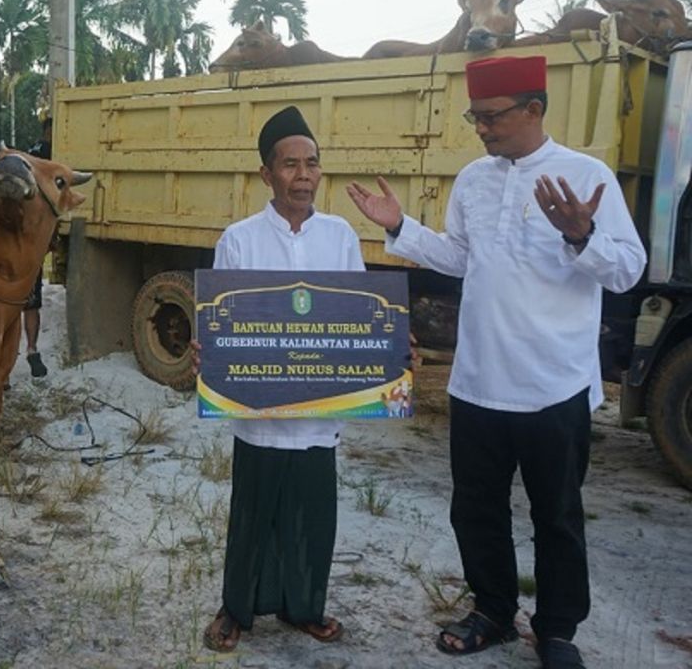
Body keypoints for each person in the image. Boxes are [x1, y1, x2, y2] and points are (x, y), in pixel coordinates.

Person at [346, 55, 645, 669]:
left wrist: (582, 235)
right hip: (478, 380)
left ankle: (558, 631)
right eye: (474, 117)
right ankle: (493, 610)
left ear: (533, 109)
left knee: (556, 517)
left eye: (490, 117)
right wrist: (401, 225)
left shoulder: (587, 176)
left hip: (553, 385)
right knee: (474, 508)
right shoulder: (474, 180)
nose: (479, 128)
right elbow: (460, 258)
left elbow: (627, 270)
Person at [201, 105, 359, 653]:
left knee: (313, 516)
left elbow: (358, 314)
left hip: (320, 413)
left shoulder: (340, 236)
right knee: (253, 514)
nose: (304, 176)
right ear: (267, 175)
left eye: (312, 164)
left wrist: (388, 350)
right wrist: (209, 347)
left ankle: (305, 608)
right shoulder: (240, 239)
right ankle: (236, 609)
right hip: (259, 415)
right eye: (290, 165)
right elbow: (220, 319)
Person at [21, 115, 54, 377]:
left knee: (28, 302)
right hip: (25, 245)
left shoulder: (28, 158)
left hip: (29, 245)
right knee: (24, 304)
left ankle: (29, 353)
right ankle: (29, 352)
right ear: (49, 131)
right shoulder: (45, 156)